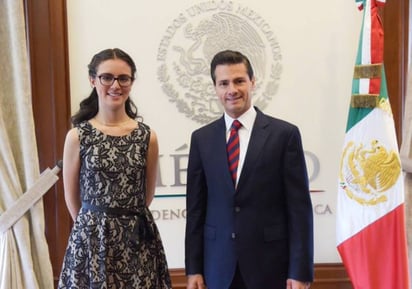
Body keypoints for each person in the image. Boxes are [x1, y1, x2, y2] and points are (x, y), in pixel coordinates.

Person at [185, 50, 314, 289]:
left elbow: (299, 210)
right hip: (218, 269)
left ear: (252, 82)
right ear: (215, 87)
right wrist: (193, 268)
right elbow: (195, 210)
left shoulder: (284, 135)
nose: (232, 89)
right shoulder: (201, 139)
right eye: (224, 83)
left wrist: (300, 271)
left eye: (239, 81)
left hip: (271, 268)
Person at [58, 48, 172, 289]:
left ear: (131, 81)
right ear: (93, 80)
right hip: (91, 238)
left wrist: (124, 220)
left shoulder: (147, 136)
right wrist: (94, 224)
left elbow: (146, 194)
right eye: (107, 77)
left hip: (137, 238)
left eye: (123, 78)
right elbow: (71, 197)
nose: (115, 85)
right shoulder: (77, 136)